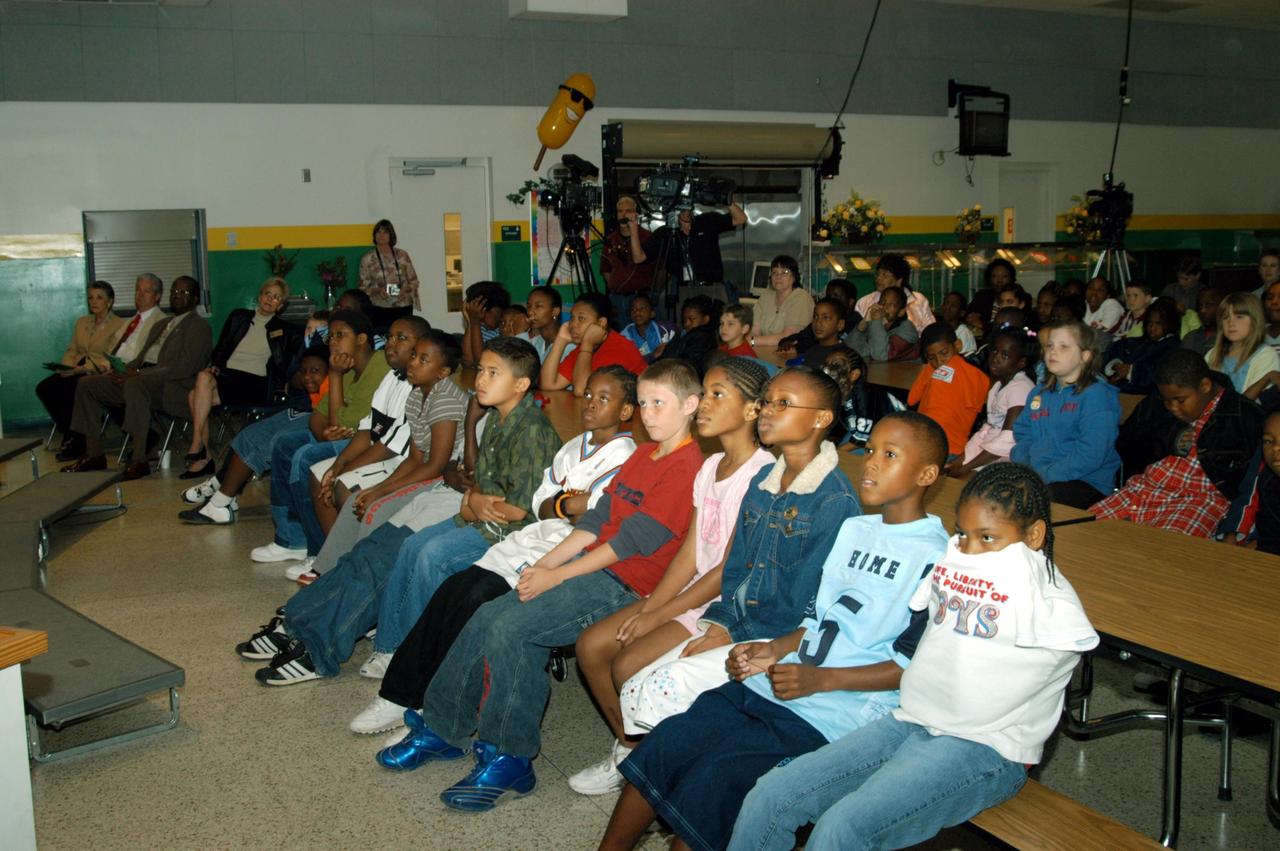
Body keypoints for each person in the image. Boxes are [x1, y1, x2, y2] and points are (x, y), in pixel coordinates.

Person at [598, 413, 951, 851]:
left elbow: (912, 667)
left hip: (838, 711)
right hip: (783, 681)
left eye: (890, 455)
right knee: (668, 742)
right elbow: (815, 619)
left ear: (927, 475)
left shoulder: (938, 560)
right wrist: (769, 650)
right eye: (872, 450)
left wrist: (821, 680)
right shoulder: (856, 530)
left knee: (716, 778)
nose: (872, 462)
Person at [376, 360, 705, 812]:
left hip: (627, 583)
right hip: (592, 565)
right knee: (485, 613)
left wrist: (559, 574)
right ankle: (443, 726)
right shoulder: (644, 454)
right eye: (644, 402)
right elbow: (597, 520)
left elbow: (631, 542)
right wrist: (545, 564)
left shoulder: (687, 466)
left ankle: (509, 756)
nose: (648, 413)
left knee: (513, 629)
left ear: (690, 405)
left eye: (658, 404)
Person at [727, 463, 1098, 851]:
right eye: (963, 535)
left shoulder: (1049, 602)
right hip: (911, 720)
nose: (971, 551)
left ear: (1034, 536)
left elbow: (1069, 647)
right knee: (771, 795)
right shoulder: (954, 564)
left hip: (985, 747)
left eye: (988, 538)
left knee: (842, 828)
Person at [239, 336, 562, 685]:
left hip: (480, 517)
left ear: (520, 384)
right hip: (459, 501)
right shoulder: (494, 415)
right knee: (369, 550)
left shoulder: (525, 427)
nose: (480, 379)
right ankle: (297, 621)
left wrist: (471, 499)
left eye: (492, 372)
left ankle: (319, 644)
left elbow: (507, 504)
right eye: (481, 370)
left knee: (388, 557)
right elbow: (473, 480)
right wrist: (472, 456)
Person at [350, 365, 639, 736]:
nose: (590, 404)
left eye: (604, 398)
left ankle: (425, 699)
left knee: (476, 600)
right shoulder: (573, 447)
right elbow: (540, 503)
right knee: (453, 590)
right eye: (588, 395)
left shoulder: (626, 456)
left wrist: (562, 503)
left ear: (626, 410)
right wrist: (568, 502)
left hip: (569, 551)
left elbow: (595, 513)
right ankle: (398, 694)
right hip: (534, 537)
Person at [609, 368, 859, 758]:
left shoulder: (834, 501)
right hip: (737, 621)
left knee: (661, 685)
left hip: (781, 636)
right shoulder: (764, 483)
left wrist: (733, 633)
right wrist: (721, 626)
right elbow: (740, 569)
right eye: (768, 401)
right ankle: (655, 767)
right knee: (638, 682)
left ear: (821, 419)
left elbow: (814, 603)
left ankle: (664, 772)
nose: (768, 410)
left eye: (783, 403)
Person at [567, 359, 773, 795]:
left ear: (752, 409)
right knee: (592, 646)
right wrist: (653, 607)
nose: (705, 403)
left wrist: (658, 614)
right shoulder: (711, 466)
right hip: (696, 592)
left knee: (627, 663)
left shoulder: (761, 473)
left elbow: (727, 570)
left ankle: (653, 765)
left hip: (728, 603)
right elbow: (691, 552)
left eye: (718, 394)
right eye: (706, 393)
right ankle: (631, 749)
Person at [288, 330, 470, 584]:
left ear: (443, 372)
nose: (413, 363)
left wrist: (382, 491)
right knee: (359, 499)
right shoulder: (416, 395)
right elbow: (415, 458)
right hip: (424, 469)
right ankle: (331, 570)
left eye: (423, 360)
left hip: (445, 478)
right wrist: (378, 488)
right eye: (414, 356)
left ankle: (360, 578)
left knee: (375, 507)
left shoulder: (445, 399)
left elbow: (437, 465)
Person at [249, 309, 390, 564]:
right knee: (284, 444)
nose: (333, 342)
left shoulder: (378, 367)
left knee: (306, 457)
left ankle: (318, 551)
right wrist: (325, 433)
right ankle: (291, 540)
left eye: (340, 335)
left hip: (368, 441)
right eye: (330, 337)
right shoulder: (346, 367)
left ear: (361, 339)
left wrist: (334, 375)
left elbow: (344, 424)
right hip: (343, 436)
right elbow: (318, 416)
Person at [298, 316, 428, 558]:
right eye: (389, 337)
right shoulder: (391, 377)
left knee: (344, 487)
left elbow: (389, 445)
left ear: (420, 346)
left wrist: (344, 471)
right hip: (381, 453)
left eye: (401, 338)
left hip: (400, 462)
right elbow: (368, 428)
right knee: (319, 474)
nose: (391, 343)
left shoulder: (419, 386)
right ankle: (332, 558)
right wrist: (339, 463)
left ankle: (354, 562)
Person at [62, 276, 211, 481]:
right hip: (143, 377)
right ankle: (93, 454)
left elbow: (184, 367)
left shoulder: (198, 326)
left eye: (184, 292)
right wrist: (122, 371)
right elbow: (141, 358)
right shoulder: (163, 323)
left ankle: (140, 458)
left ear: (195, 299)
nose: (177, 296)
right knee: (88, 385)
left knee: (135, 384)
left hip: (174, 386)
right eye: (174, 292)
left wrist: (139, 374)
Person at [1103, 349, 1262, 537]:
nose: (1173, 408)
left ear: (1205, 386)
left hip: (1199, 502)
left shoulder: (1246, 416)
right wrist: (1169, 438)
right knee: (1082, 532)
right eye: (1167, 401)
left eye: (1180, 400)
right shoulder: (1159, 399)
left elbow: (1253, 484)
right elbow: (1125, 444)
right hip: (1142, 490)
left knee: (1162, 548)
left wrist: (1233, 530)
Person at [179, 346, 329, 518]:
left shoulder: (334, 377)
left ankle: (220, 500)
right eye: (304, 372)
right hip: (299, 406)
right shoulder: (310, 363)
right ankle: (223, 498)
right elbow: (292, 377)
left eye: (313, 371)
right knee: (248, 434)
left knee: (274, 441)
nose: (307, 376)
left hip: (306, 411)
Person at [181, 277, 295, 479]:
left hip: (255, 382)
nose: (270, 299)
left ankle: (199, 448)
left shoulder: (282, 330)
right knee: (198, 388)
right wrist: (216, 366)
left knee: (197, 390)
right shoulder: (239, 317)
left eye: (276, 297)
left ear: (281, 305)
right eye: (267, 294)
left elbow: (283, 364)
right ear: (260, 296)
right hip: (228, 377)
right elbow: (221, 347)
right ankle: (202, 455)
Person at [1012, 319, 1121, 508]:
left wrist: (1043, 474)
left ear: (1085, 356)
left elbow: (1090, 455)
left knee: (1030, 503)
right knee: (992, 489)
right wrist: (1027, 465)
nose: (1053, 352)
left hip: (1086, 481)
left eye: (1064, 347)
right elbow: (1023, 433)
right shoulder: (1039, 393)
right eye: (1050, 345)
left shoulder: (1097, 396)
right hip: (1039, 474)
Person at [38, 280, 126, 461]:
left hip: (96, 371)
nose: (94, 302)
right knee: (45, 388)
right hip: (75, 368)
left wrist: (81, 370)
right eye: (91, 298)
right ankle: (71, 431)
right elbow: (72, 349)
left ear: (109, 302)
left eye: (99, 298)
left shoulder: (119, 324)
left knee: (71, 389)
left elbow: (110, 356)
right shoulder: (82, 322)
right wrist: (66, 367)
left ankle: (77, 439)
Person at [947, 325, 1037, 477]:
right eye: (994, 351)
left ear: (1021, 362)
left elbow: (1008, 439)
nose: (995, 358)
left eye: (1005, 355)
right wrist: (961, 461)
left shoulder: (1021, 388)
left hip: (1010, 460)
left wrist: (965, 468)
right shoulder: (998, 386)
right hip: (990, 454)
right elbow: (987, 430)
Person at [540, 292, 648, 396]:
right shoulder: (582, 348)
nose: (573, 325)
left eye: (581, 318)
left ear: (601, 323)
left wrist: (587, 345)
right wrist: (560, 340)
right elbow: (548, 384)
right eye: (572, 318)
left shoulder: (619, 347)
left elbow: (582, 391)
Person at [907, 323, 989, 458]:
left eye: (944, 353)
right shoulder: (977, 375)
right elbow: (912, 399)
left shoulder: (972, 374)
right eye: (932, 358)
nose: (940, 361)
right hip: (933, 444)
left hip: (944, 447)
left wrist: (932, 369)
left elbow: (911, 400)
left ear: (958, 345)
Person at [653, 199, 747, 308]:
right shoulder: (666, 233)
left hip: (712, 289)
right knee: (687, 318)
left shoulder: (707, 221)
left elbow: (741, 219)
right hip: (684, 291)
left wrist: (727, 199)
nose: (684, 209)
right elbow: (642, 258)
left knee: (717, 317)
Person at [822, 348, 905, 450]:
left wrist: (835, 452)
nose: (829, 371)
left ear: (854, 375)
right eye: (827, 365)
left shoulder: (864, 397)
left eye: (837, 367)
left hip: (892, 435)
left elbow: (859, 441)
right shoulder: (838, 389)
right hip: (862, 431)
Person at [1206, 291, 1280, 400]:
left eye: (1239, 317)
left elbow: (1249, 405)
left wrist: (1266, 378)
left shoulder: (1266, 355)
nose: (1231, 323)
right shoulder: (1212, 355)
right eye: (1226, 317)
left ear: (1255, 320)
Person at [1102, 297, 1182, 395]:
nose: (1152, 327)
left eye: (1158, 323)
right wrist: (1115, 365)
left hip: (1142, 395)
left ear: (1170, 324)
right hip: (1117, 388)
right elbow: (1113, 352)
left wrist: (1130, 371)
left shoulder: (1173, 347)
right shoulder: (1138, 342)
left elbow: (1160, 375)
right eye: (1149, 323)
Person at [600, 195, 656, 323]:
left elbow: (660, 269)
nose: (623, 214)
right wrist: (615, 285)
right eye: (620, 211)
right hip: (617, 299)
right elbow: (605, 269)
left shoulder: (647, 237)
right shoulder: (610, 240)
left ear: (635, 213)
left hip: (641, 298)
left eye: (628, 211)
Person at [357, 218, 420, 328]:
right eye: (378, 232)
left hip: (403, 305)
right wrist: (378, 290)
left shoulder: (402, 255)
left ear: (391, 235)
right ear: (374, 235)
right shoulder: (367, 259)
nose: (381, 235)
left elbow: (414, 282)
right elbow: (362, 288)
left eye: (385, 232)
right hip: (380, 308)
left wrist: (405, 289)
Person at [853, 254, 935, 333]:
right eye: (878, 274)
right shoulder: (864, 302)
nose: (879, 278)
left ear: (899, 280)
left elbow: (931, 330)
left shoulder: (918, 300)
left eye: (885, 275)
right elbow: (857, 333)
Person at [777, 279, 858, 357]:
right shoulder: (819, 322)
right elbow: (800, 336)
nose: (829, 300)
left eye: (836, 296)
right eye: (828, 296)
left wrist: (798, 348)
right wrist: (787, 343)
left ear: (850, 302)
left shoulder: (856, 325)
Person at [750, 255, 814, 347]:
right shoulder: (766, 296)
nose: (778, 277)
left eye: (784, 272)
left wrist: (752, 342)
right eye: (774, 272)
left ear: (794, 277)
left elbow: (789, 337)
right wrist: (751, 341)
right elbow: (754, 330)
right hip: (762, 349)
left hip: (789, 352)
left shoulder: (801, 297)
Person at [846, 286, 919, 362]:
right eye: (882, 302)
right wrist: (863, 323)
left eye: (891, 304)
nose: (884, 307)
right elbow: (852, 351)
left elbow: (880, 355)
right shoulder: (877, 326)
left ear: (901, 312)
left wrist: (876, 320)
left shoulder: (908, 330)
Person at [658, 295, 722, 374]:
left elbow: (687, 363)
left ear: (706, 319)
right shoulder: (685, 333)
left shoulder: (702, 337)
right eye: (684, 320)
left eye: (691, 319)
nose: (687, 324)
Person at [460, 281, 511, 367]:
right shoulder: (480, 328)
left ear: (496, 310)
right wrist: (470, 322)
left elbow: (481, 360)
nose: (481, 322)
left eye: (482, 318)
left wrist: (475, 323)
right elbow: (468, 361)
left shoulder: (505, 331)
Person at [620, 293, 673, 359]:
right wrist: (653, 356)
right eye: (633, 309)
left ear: (652, 313)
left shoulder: (665, 329)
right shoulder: (625, 335)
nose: (637, 312)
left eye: (642, 308)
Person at [966, 258, 1016, 329]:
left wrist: (983, 325)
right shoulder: (982, 296)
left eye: (1004, 276)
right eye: (994, 276)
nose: (999, 281)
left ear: (1011, 278)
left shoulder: (1018, 297)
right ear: (989, 279)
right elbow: (969, 316)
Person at [799, 298, 848, 368]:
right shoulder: (811, 351)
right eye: (815, 317)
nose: (818, 322)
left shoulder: (842, 356)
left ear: (840, 325)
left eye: (826, 318)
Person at [1181, 284, 1225, 357]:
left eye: (1208, 305)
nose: (1202, 310)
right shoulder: (1189, 338)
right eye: (1200, 305)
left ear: (1222, 306)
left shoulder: (1230, 338)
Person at [938, 291, 977, 355]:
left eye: (953, 306)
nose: (948, 307)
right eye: (946, 303)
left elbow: (967, 359)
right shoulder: (936, 329)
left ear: (962, 313)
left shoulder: (965, 334)